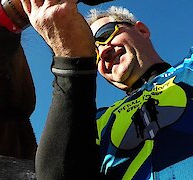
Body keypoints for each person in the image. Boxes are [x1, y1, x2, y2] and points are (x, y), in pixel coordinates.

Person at [19, 0, 193, 179]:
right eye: (93, 53)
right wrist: (71, 58)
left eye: (105, 34)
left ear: (142, 30)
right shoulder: (97, 123)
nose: (103, 52)